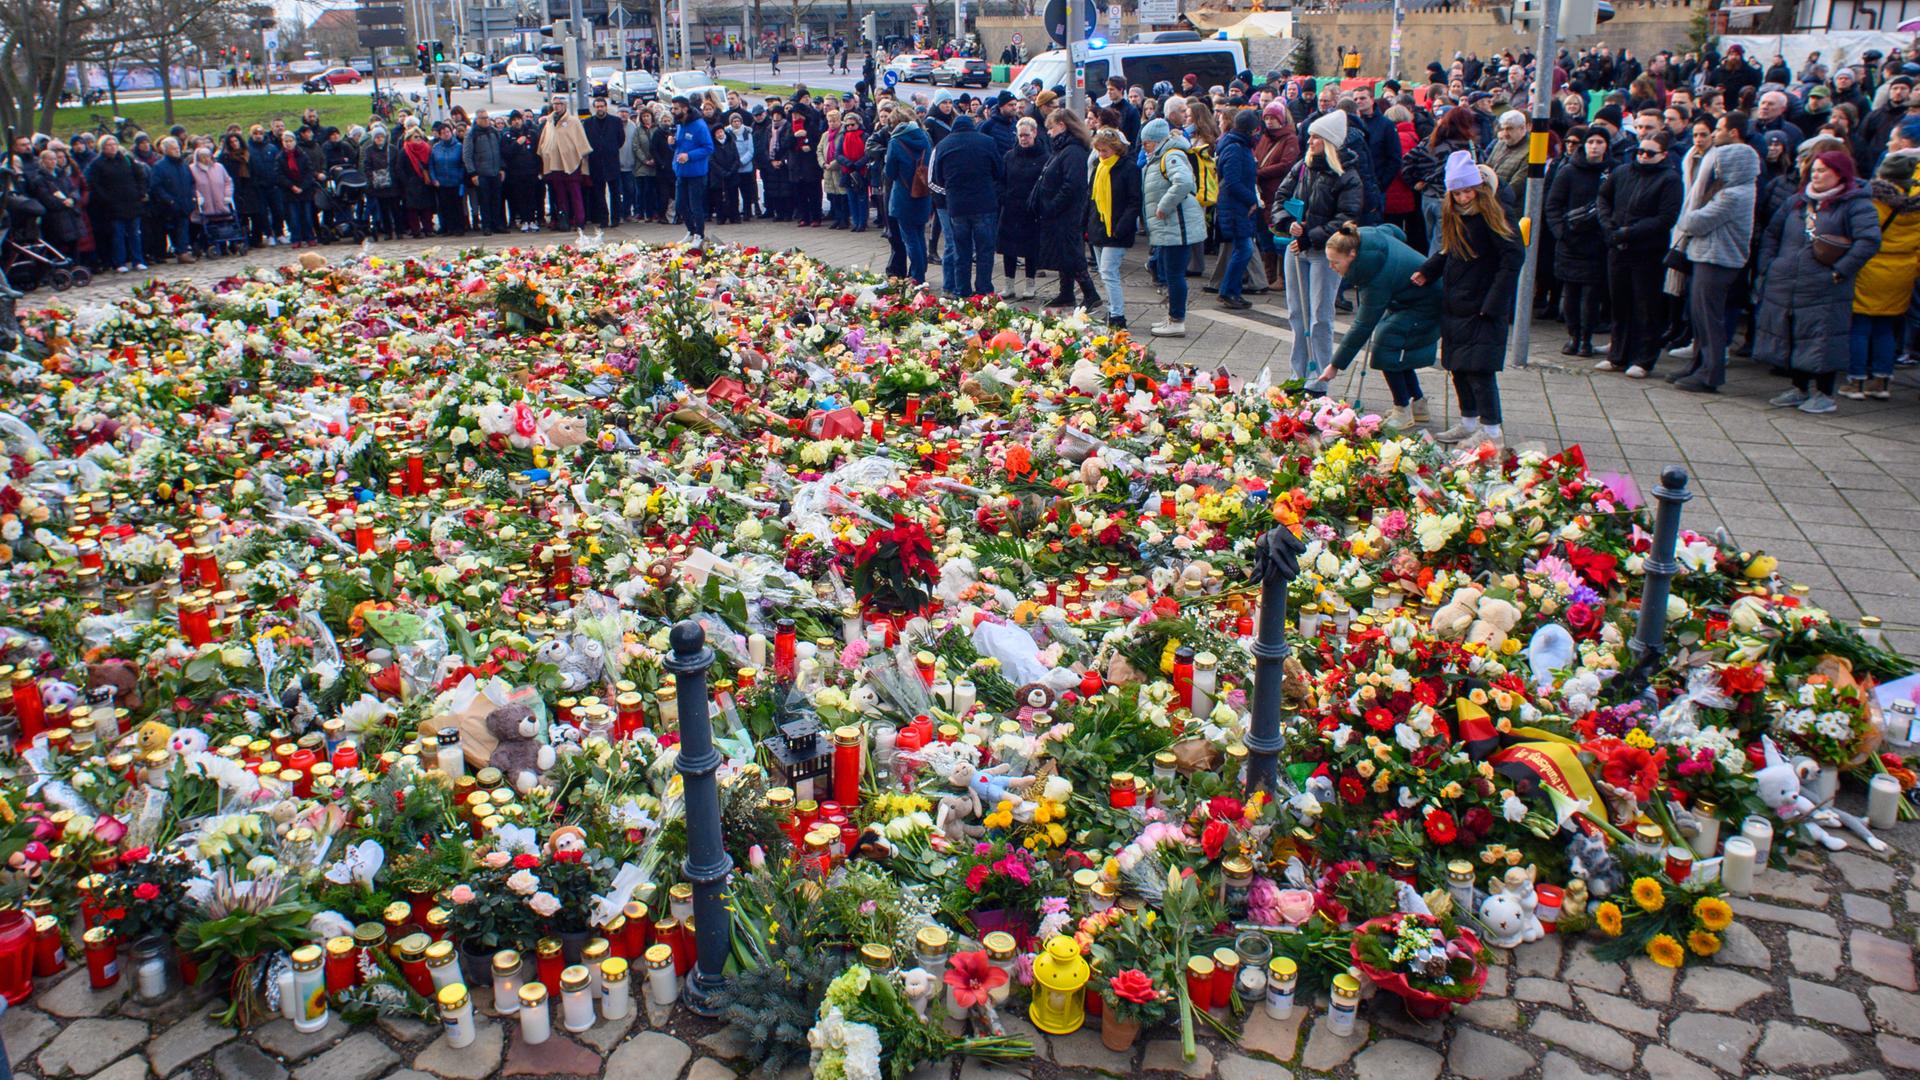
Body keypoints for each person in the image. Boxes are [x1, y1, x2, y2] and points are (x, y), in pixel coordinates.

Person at [1755, 149, 1882, 413]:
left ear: (1840, 173)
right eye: (1814, 169)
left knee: (1823, 337)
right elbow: (1772, 234)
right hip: (1788, 282)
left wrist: (1839, 271)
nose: (1816, 174)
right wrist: (1770, 265)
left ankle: (1824, 393)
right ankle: (1799, 388)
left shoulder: (1855, 204)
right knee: (1793, 333)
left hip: (1826, 286)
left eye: (1823, 170)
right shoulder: (1797, 201)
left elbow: (1869, 241)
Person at [1419, 152, 1524, 449]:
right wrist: (1428, 270)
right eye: (1458, 193)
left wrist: (1494, 302)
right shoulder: (1456, 215)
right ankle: (1468, 422)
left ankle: (1491, 430)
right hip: (1458, 302)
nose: (1464, 198)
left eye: (1468, 191)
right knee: (1459, 367)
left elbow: (1513, 258)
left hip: (1482, 304)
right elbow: (1449, 250)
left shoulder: (1495, 213)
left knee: (1480, 370)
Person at [1666, 119, 1761, 392]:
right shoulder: (1730, 191)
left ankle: (1710, 373)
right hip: (1707, 257)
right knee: (1699, 317)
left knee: (1709, 320)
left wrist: (1688, 216)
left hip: (1717, 260)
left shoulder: (1733, 195)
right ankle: (1698, 364)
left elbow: (1694, 222)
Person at [1273, 110, 1364, 391]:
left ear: (1330, 142)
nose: (1310, 141)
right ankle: (1298, 373)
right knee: (1296, 313)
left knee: (1320, 317)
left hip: (1325, 253)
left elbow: (1346, 217)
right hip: (1296, 248)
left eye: (1316, 137)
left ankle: (1319, 380)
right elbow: (1280, 197)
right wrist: (1286, 222)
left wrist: (1312, 235)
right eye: (1310, 136)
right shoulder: (1303, 166)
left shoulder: (1347, 175)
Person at [1317, 221, 1441, 427]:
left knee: (1387, 344)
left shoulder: (1374, 276)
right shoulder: (1363, 236)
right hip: (1413, 297)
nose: (1331, 267)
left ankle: (1402, 410)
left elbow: (1363, 325)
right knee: (1397, 348)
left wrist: (1335, 365)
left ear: (1352, 255)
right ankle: (1418, 404)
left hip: (1428, 302)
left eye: (1335, 262)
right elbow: (1394, 231)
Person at [1594, 130, 1683, 377]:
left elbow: (1666, 217)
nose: (1643, 156)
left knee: (1646, 306)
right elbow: (1603, 197)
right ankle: (1617, 355)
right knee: (1619, 303)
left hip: (1647, 251)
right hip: (1617, 247)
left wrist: (1630, 232)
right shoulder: (1622, 172)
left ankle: (1643, 359)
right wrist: (1608, 224)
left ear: (1663, 155)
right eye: (1640, 151)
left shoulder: (1670, 180)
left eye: (1650, 153)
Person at [1845, 152, 1920, 399]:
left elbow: (1863, 233)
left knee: (1860, 326)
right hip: (1902, 272)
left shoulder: (1875, 199)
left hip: (1870, 267)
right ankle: (1881, 381)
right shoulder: (1915, 206)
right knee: (1886, 328)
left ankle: (1856, 381)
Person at [1545, 127, 1611, 356]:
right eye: (1591, 142)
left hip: (1597, 244)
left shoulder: (1612, 171)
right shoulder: (1569, 171)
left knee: (1591, 297)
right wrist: (1561, 232)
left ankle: (1586, 338)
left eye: (1600, 142)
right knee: (1571, 294)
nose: (1595, 146)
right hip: (1570, 242)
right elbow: (1553, 204)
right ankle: (1573, 336)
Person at [1141, 117, 1205, 337]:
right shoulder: (1164, 155)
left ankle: (1177, 320)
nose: (1144, 147)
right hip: (1171, 226)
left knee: (1175, 274)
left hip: (1176, 225)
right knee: (1171, 272)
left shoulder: (1171, 156)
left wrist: (1164, 206)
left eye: (1147, 142)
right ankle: (1173, 316)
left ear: (1157, 140)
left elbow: (1184, 182)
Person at [1031, 109, 1098, 310]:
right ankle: (1066, 293)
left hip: (1067, 213)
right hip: (1060, 212)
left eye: (1051, 128)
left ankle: (1090, 293)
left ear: (1062, 125)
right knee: (1063, 252)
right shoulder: (1064, 148)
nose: (1049, 132)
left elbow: (1072, 185)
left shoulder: (1073, 151)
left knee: (1072, 253)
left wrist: (1053, 205)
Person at [930, 113, 1003, 297]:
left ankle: (962, 290)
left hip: (957, 206)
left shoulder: (943, 145)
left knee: (961, 251)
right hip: (984, 203)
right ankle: (984, 289)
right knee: (985, 250)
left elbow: (938, 177)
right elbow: (999, 171)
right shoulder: (987, 142)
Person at [1086, 126, 1140, 329]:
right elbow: (1090, 198)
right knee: (1104, 273)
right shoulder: (1099, 167)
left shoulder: (1129, 169)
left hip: (1116, 229)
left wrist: (1121, 227)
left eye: (1105, 151)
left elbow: (1134, 201)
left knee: (1109, 272)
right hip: (1098, 226)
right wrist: (1085, 225)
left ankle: (1117, 315)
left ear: (1116, 149)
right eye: (1099, 150)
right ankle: (1112, 311)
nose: (1101, 154)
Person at [1211, 110, 1262, 310]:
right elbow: (1232, 181)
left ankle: (1231, 291)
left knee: (1243, 249)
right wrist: (1251, 200)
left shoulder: (1237, 145)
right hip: (1235, 206)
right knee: (1244, 249)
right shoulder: (1236, 148)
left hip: (1237, 205)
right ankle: (1228, 291)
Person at [997, 116, 1049, 299]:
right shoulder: (1010, 156)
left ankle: (1030, 285)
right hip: (1011, 208)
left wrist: (1038, 203)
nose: (1023, 139)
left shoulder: (1044, 157)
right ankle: (1009, 285)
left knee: (1030, 249)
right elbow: (1001, 180)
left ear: (1034, 133)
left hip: (1031, 210)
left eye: (1026, 135)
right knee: (1008, 248)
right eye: (1020, 135)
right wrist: (1003, 197)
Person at [1254, 102, 1302, 285]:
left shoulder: (1290, 139)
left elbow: (1286, 165)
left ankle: (1281, 277)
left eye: (1273, 118)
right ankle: (1269, 275)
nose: (1269, 121)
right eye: (1266, 118)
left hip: (1277, 191)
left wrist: (1259, 173)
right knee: (1264, 234)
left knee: (1278, 232)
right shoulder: (1264, 138)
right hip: (1262, 192)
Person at [884, 105, 933, 283]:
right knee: (919, 234)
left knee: (910, 238)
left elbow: (890, 173)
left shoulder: (895, 142)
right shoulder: (925, 137)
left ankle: (917, 277)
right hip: (923, 193)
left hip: (903, 195)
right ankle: (920, 271)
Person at [538, 96, 592, 231]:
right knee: (560, 196)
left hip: (571, 164)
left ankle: (579, 221)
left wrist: (580, 160)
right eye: (555, 104)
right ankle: (564, 221)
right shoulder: (549, 122)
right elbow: (544, 141)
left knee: (575, 194)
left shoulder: (573, 121)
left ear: (565, 105)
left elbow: (582, 143)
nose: (557, 106)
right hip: (555, 164)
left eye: (559, 104)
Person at [670, 96, 714, 245]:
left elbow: (708, 148)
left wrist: (689, 156)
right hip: (681, 171)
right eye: (672, 108)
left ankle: (699, 234)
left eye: (676, 108)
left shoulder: (699, 126)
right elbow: (680, 146)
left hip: (696, 172)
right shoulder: (680, 124)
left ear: (685, 108)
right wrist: (672, 144)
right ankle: (691, 230)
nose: (673, 111)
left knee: (696, 206)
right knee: (680, 205)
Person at [147, 136, 195, 264]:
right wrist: (169, 200)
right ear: (166, 150)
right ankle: (177, 252)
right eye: (173, 149)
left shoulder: (183, 165)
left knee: (183, 228)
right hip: (168, 205)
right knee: (173, 229)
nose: (177, 151)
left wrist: (192, 197)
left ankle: (182, 252)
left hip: (185, 202)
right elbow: (156, 187)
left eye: (177, 148)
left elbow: (191, 182)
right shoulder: (159, 167)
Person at [463, 111, 506, 235]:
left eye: (487, 118)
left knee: (496, 200)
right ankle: (486, 226)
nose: (486, 120)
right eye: (483, 118)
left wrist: (502, 168)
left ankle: (497, 224)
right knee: (484, 201)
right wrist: (473, 173)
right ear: (477, 120)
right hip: (481, 173)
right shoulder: (471, 134)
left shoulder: (494, 132)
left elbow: (500, 151)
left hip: (495, 171)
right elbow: (467, 156)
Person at [186, 145, 232, 256]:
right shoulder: (192, 169)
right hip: (204, 204)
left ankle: (223, 246)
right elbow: (190, 186)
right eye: (203, 157)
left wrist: (227, 195)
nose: (206, 159)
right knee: (205, 226)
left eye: (208, 156)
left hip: (220, 202)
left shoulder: (219, 167)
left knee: (222, 224)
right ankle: (206, 246)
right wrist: (197, 196)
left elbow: (228, 181)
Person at [279, 130, 321, 248]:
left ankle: (310, 237)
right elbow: (279, 175)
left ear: (295, 141)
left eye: (290, 141)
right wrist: (291, 186)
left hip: (304, 190)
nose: (288, 143)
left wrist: (302, 187)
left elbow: (309, 171)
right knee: (293, 217)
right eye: (286, 141)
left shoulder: (303, 155)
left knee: (307, 216)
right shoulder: (280, 157)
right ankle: (296, 238)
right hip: (289, 191)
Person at [837, 114, 868, 232]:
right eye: (847, 125)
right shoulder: (843, 136)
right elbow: (838, 154)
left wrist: (858, 164)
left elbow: (868, 153)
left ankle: (862, 222)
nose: (850, 127)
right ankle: (855, 222)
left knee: (862, 197)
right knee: (851, 198)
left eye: (852, 124)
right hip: (847, 171)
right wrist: (848, 163)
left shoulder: (864, 136)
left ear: (858, 124)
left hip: (861, 171)